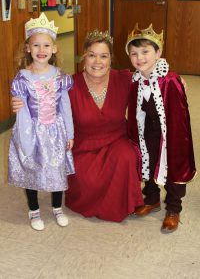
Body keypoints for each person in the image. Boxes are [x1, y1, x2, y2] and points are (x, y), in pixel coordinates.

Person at [12, 29, 144, 223]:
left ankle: (122, 202)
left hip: (116, 140)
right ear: (83, 57)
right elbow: (44, 103)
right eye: (92, 55)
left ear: (111, 59)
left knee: (126, 157)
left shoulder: (125, 79)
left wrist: (173, 81)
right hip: (83, 145)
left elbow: (151, 78)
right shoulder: (69, 83)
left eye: (103, 56)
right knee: (86, 181)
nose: (97, 62)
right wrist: (19, 102)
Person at [126, 24, 196, 232]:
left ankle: (174, 208)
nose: (140, 58)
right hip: (146, 132)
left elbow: (181, 115)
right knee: (148, 163)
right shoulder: (135, 80)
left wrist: (177, 140)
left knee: (173, 166)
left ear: (158, 53)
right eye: (134, 53)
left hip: (171, 135)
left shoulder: (170, 80)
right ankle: (152, 199)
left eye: (145, 51)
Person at [8, 13, 75, 231]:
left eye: (46, 45)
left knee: (57, 167)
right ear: (28, 48)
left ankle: (57, 207)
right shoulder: (22, 78)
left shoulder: (60, 77)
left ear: (54, 48)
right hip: (31, 131)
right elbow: (20, 106)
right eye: (36, 45)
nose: (41, 49)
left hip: (56, 131)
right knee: (32, 168)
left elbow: (65, 107)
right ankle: (34, 210)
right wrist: (22, 132)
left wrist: (71, 134)